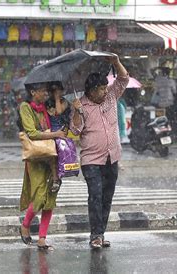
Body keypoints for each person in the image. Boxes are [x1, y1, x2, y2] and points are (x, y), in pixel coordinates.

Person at [70, 54, 129, 249]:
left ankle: (100, 234)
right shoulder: (82, 105)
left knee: (107, 196)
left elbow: (123, 79)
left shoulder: (111, 97)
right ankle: (95, 235)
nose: (105, 91)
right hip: (91, 160)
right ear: (91, 90)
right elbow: (76, 130)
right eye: (101, 89)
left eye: (105, 87)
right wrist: (77, 111)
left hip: (112, 157)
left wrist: (116, 62)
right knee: (95, 195)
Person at [19, 82, 66, 250]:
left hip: (52, 156)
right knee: (39, 197)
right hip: (37, 158)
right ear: (33, 92)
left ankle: (42, 238)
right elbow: (31, 133)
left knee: (50, 198)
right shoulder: (26, 107)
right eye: (43, 91)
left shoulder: (47, 106)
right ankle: (25, 225)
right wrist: (54, 134)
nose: (45, 94)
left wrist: (55, 96)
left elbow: (59, 113)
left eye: (47, 91)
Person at [45, 81, 71, 193]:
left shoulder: (64, 102)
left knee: (60, 152)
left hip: (61, 131)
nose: (56, 93)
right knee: (51, 155)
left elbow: (59, 112)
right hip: (50, 132)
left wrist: (57, 99)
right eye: (54, 91)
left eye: (58, 91)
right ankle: (55, 177)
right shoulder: (47, 103)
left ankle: (58, 176)